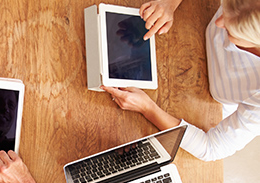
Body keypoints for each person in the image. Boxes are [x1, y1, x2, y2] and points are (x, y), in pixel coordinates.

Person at [102, 0, 260, 161]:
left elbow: (212, 148)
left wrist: (148, 108)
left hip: (209, 99)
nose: (219, 21)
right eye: (224, 10)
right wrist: (170, 3)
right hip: (195, 31)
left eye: (230, 28)